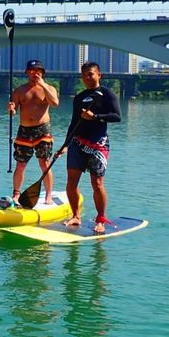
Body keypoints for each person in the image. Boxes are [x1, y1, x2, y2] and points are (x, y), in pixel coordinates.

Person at [57, 62, 122, 233]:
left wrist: (95, 117)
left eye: (91, 74)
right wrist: (65, 145)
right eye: (84, 74)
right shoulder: (79, 97)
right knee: (71, 182)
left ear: (99, 75)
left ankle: (101, 219)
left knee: (97, 183)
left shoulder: (107, 94)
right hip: (77, 143)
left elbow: (117, 117)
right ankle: (75, 216)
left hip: (98, 144)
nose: (87, 77)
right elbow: (73, 123)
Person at [7, 59, 60, 205]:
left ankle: (49, 195)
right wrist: (11, 109)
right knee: (20, 164)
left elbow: (55, 103)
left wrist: (42, 84)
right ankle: (16, 194)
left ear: (42, 73)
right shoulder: (19, 90)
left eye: (37, 71)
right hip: (24, 130)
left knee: (44, 163)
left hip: (42, 130)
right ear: (27, 73)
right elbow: (13, 111)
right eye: (31, 71)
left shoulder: (49, 88)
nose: (34, 73)